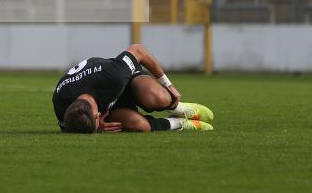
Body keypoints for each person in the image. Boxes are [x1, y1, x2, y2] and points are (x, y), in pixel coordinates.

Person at [53, 42, 215, 133]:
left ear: (97, 114)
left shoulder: (112, 76)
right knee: (140, 126)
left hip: (125, 83)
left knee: (158, 97)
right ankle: (179, 123)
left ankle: (179, 108)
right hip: (111, 103)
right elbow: (73, 128)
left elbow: (138, 50)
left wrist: (167, 84)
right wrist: (99, 128)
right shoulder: (61, 105)